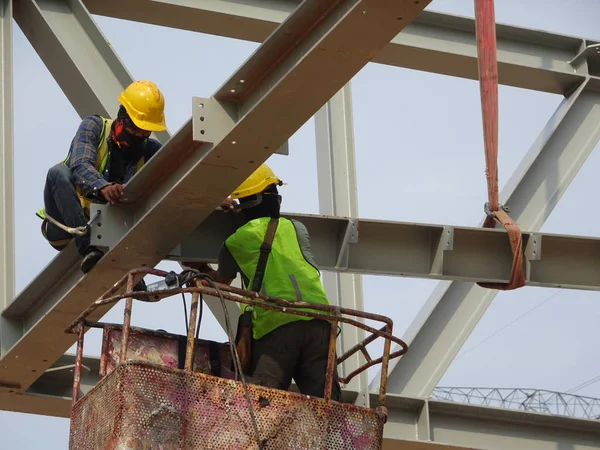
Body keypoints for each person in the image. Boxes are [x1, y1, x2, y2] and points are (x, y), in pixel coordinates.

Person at [36, 80, 236, 275]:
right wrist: (102, 186)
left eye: (145, 132)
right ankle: (88, 250)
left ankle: (129, 268)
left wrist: (214, 199)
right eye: (135, 130)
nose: (140, 136)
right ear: (122, 118)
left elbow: (181, 181)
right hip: (65, 224)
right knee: (57, 173)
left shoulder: (149, 151)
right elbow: (80, 165)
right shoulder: (94, 127)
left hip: (107, 228)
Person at [185, 164, 342, 401]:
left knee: (264, 405)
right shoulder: (296, 228)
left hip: (275, 323)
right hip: (319, 321)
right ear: (266, 199)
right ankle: (334, 436)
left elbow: (222, 282)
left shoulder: (234, 242)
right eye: (273, 194)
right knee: (327, 403)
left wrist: (201, 270)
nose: (278, 200)